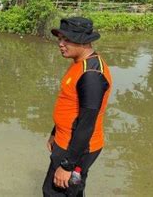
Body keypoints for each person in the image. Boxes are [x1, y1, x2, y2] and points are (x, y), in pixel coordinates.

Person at [43, 17, 112, 197]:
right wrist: (54, 133)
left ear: (84, 41)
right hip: (65, 140)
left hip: (77, 149)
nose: (61, 44)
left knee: (54, 193)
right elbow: (69, 104)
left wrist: (68, 165)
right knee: (71, 192)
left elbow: (86, 123)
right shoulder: (79, 64)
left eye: (67, 39)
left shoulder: (92, 75)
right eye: (59, 39)